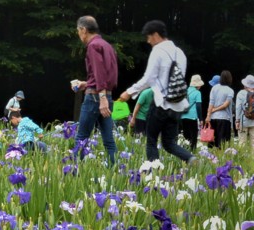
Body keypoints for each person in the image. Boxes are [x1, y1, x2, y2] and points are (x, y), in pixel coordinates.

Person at [118, 20, 192, 164]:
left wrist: (129, 92)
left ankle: (154, 172)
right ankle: (190, 158)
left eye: (149, 37)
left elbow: (148, 78)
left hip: (161, 104)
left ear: (156, 35)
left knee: (151, 140)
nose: (148, 41)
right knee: (169, 143)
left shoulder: (158, 51)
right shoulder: (180, 52)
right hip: (177, 105)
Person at [72, 16, 119, 165]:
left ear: (84, 30)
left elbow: (99, 73)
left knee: (81, 138)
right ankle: (116, 170)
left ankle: (74, 172)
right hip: (106, 95)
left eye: (78, 31)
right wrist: (85, 84)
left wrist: (102, 97)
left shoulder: (93, 46)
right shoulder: (106, 45)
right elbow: (105, 75)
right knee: (108, 140)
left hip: (95, 98)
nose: (79, 35)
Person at [205, 71, 234, 148]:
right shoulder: (230, 90)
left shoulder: (214, 88)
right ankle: (221, 159)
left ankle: (211, 158)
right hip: (224, 118)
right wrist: (215, 110)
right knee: (222, 144)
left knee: (212, 142)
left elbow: (211, 102)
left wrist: (208, 115)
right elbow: (225, 105)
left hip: (213, 118)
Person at [180, 74, 204, 150]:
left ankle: (184, 152)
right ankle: (192, 152)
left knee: (185, 136)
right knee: (193, 136)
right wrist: (201, 119)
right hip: (193, 117)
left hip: (183, 116)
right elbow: (198, 106)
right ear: (198, 85)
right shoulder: (197, 93)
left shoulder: (185, 91)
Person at [234, 75, 254, 147]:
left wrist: (237, 121)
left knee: (242, 142)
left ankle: (242, 158)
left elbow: (238, 108)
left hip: (243, 121)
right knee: (253, 143)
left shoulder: (241, 93)